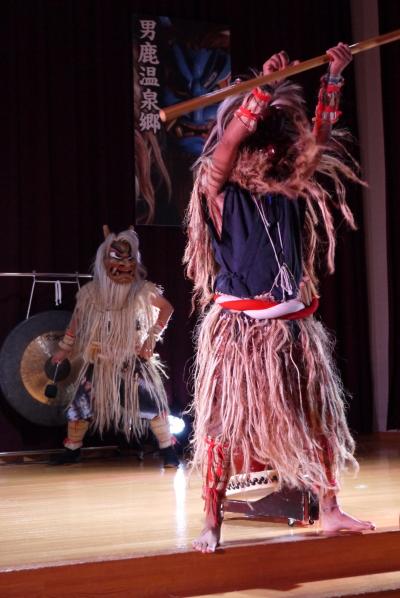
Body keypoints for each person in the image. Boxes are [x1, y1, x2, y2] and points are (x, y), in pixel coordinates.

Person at [184, 43, 375, 552]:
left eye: (277, 147)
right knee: (223, 427)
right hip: (241, 334)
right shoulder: (218, 189)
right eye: (262, 144)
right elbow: (225, 147)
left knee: (319, 418)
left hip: (293, 328)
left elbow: (319, 140)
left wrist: (333, 76)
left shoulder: (288, 188)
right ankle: (212, 522)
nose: (273, 154)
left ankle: (330, 510)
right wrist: (261, 90)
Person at [52, 226, 179, 468]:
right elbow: (76, 322)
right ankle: (72, 449)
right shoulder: (90, 293)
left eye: (128, 259)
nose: (123, 265)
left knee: (152, 402)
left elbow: (167, 308)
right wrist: (64, 349)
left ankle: (168, 449)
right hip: (99, 359)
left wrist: (150, 338)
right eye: (116, 259)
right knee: (81, 403)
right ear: (104, 261)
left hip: (132, 359)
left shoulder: (142, 290)